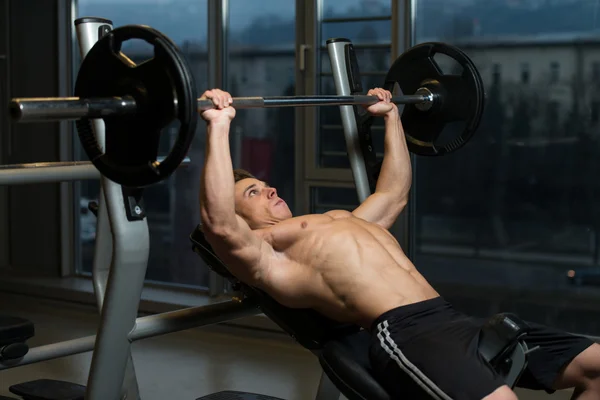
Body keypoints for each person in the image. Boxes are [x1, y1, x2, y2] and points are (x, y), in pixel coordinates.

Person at [198, 87, 600, 400]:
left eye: (265, 184)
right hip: (407, 335)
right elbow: (217, 221)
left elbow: (393, 194)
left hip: (451, 319)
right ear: (239, 221)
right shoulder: (266, 254)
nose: (268, 190)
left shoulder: (339, 223)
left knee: (596, 367)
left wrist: (391, 118)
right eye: (252, 193)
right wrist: (219, 126)